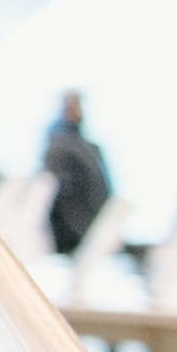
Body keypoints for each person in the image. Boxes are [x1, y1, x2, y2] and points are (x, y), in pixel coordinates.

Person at [39, 90, 115, 258]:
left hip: (86, 239)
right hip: (73, 242)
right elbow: (61, 202)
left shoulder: (87, 147)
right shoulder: (61, 148)